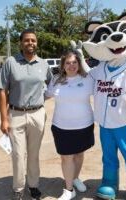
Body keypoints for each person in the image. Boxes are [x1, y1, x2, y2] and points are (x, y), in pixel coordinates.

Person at [0, 28, 52, 200]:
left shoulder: (43, 64)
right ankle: (18, 188)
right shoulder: (11, 62)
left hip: (37, 114)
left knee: (34, 154)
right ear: (21, 43)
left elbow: (53, 85)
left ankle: (33, 185)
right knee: (18, 155)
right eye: (27, 40)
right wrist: (3, 119)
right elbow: (2, 92)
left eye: (33, 40)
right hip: (16, 114)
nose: (30, 43)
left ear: (37, 43)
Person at [45, 50, 95, 200]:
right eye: (68, 63)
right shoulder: (56, 80)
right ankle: (69, 190)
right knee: (66, 157)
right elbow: (45, 95)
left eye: (74, 62)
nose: (71, 65)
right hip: (61, 127)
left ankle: (75, 178)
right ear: (63, 65)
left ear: (79, 64)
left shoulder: (88, 79)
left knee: (79, 155)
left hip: (84, 125)